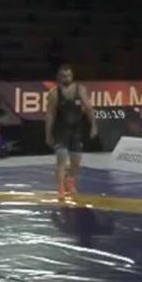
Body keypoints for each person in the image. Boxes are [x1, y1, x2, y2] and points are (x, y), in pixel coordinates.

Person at [44, 64, 97, 199]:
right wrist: (48, 134)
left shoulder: (80, 90)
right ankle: (60, 187)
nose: (66, 78)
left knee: (76, 161)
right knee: (61, 159)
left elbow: (89, 109)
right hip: (61, 130)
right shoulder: (54, 93)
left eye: (68, 76)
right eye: (63, 76)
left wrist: (93, 126)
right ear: (59, 77)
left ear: (72, 76)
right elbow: (50, 115)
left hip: (77, 130)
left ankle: (70, 180)